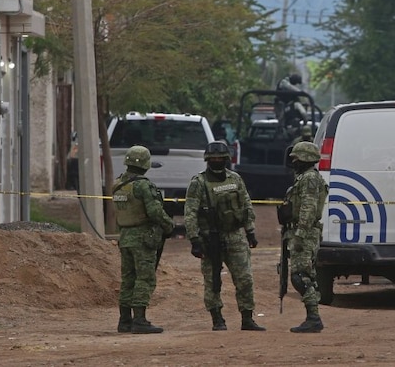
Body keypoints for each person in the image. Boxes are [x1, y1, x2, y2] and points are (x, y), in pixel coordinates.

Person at [184, 140, 265, 331]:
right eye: (213, 159)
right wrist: (195, 240)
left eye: (221, 158)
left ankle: (247, 318)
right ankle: (217, 319)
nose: (217, 161)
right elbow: (190, 213)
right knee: (213, 281)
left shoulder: (235, 179)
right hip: (210, 238)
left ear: (227, 159)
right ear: (207, 160)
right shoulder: (199, 183)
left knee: (245, 278)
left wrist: (250, 231)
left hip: (235, 235)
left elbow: (246, 205)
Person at [113, 145, 175, 334]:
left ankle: (124, 321)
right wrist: (169, 226)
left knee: (128, 279)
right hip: (142, 238)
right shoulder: (143, 186)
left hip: (124, 236)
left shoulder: (118, 184)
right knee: (145, 278)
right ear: (146, 164)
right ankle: (139, 320)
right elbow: (155, 211)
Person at [282, 141, 329, 333]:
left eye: (296, 159)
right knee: (305, 275)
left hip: (305, 233)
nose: (293, 162)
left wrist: (300, 234)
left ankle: (313, 317)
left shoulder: (309, 179)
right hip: (302, 231)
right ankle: (312, 316)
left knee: (301, 276)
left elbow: (308, 208)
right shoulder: (305, 177)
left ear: (305, 158)